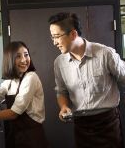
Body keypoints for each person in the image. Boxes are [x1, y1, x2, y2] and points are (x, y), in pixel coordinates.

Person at [48, 12, 125, 148]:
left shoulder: (105, 54)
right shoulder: (59, 63)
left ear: (73, 34)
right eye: (52, 37)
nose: (54, 42)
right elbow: (61, 91)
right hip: (81, 125)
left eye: (56, 37)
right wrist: (64, 107)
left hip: (108, 123)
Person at [0, 41, 49, 148]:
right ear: (10, 60)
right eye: (18, 56)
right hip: (15, 136)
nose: (24, 60)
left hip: (32, 137)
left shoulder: (31, 77)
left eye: (26, 55)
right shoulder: (9, 82)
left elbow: (13, 113)